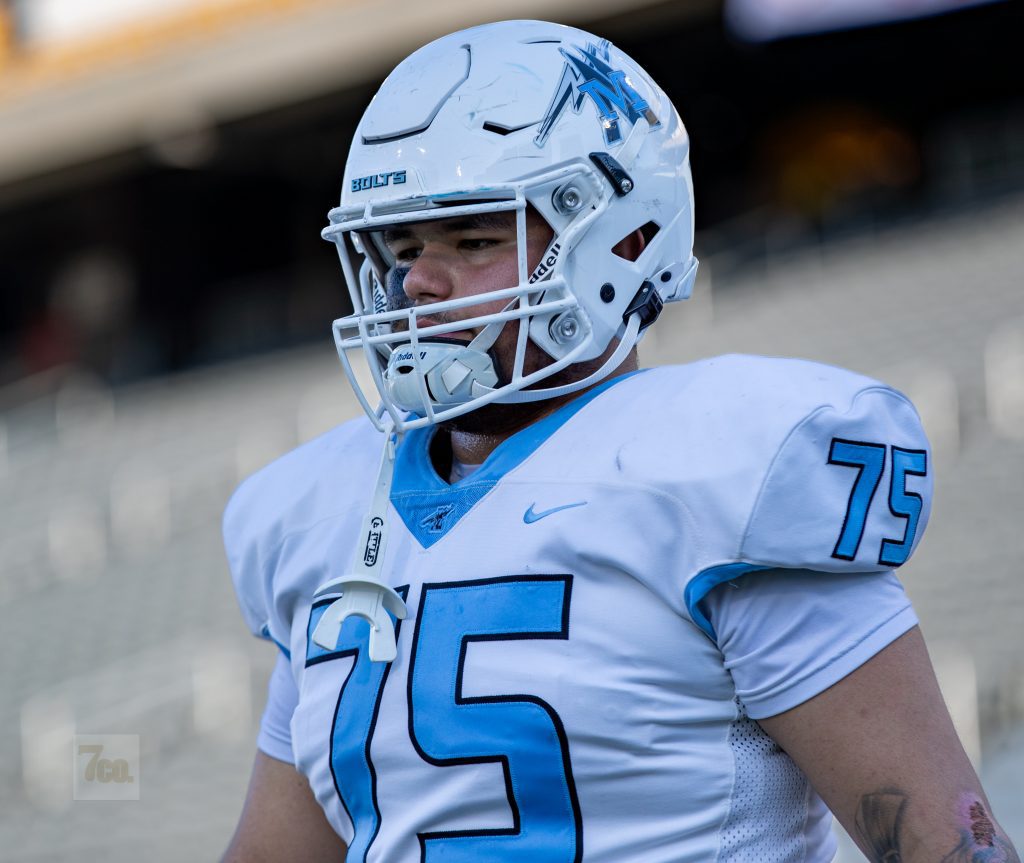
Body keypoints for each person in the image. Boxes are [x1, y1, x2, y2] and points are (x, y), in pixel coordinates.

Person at [221, 19, 1018, 863]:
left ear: (625, 241)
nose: (416, 281)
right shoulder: (318, 517)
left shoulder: (721, 475)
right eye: (404, 246)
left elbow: (945, 844)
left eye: (475, 238)